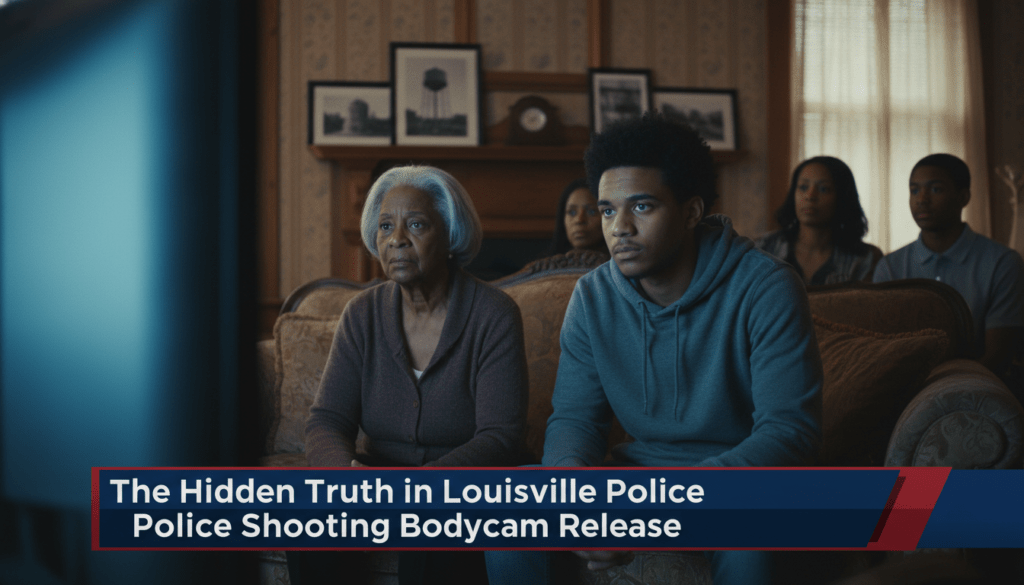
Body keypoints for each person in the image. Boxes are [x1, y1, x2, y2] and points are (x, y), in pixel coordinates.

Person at [486, 113, 823, 584]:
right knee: (511, 502)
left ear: (690, 212)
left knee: (748, 533)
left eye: (641, 207)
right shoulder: (593, 296)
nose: (619, 228)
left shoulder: (766, 287)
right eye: (607, 210)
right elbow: (575, 421)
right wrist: (577, 494)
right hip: (640, 474)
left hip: (739, 479)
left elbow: (789, 433)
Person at [295, 165, 529, 584]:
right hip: (378, 476)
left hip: (460, 484)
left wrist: (421, 488)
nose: (396, 239)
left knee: (433, 527)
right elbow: (328, 419)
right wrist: (345, 478)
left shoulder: (493, 314)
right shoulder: (361, 314)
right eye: (385, 226)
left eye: (416, 224)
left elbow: (501, 436)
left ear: (451, 236)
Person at [873, 153, 1024, 389]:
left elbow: (998, 356)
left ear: (963, 197)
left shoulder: (1002, 263)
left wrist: (947, 394)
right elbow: (883, 349)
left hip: (982, 392)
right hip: (905, 394)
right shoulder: (890, 267)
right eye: (914, 190)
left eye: (935, 190)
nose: (921, 199)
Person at [756, 156, 882, 285]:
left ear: (843, 197)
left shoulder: (865, 258)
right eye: (803, 187)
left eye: (824, 189)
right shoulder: (763, 248)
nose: (810, 196)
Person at [545, 177, 609, 257]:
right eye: (572, 212)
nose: (579, 220)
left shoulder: (620, 267)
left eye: (591, 211)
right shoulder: (545, 267)